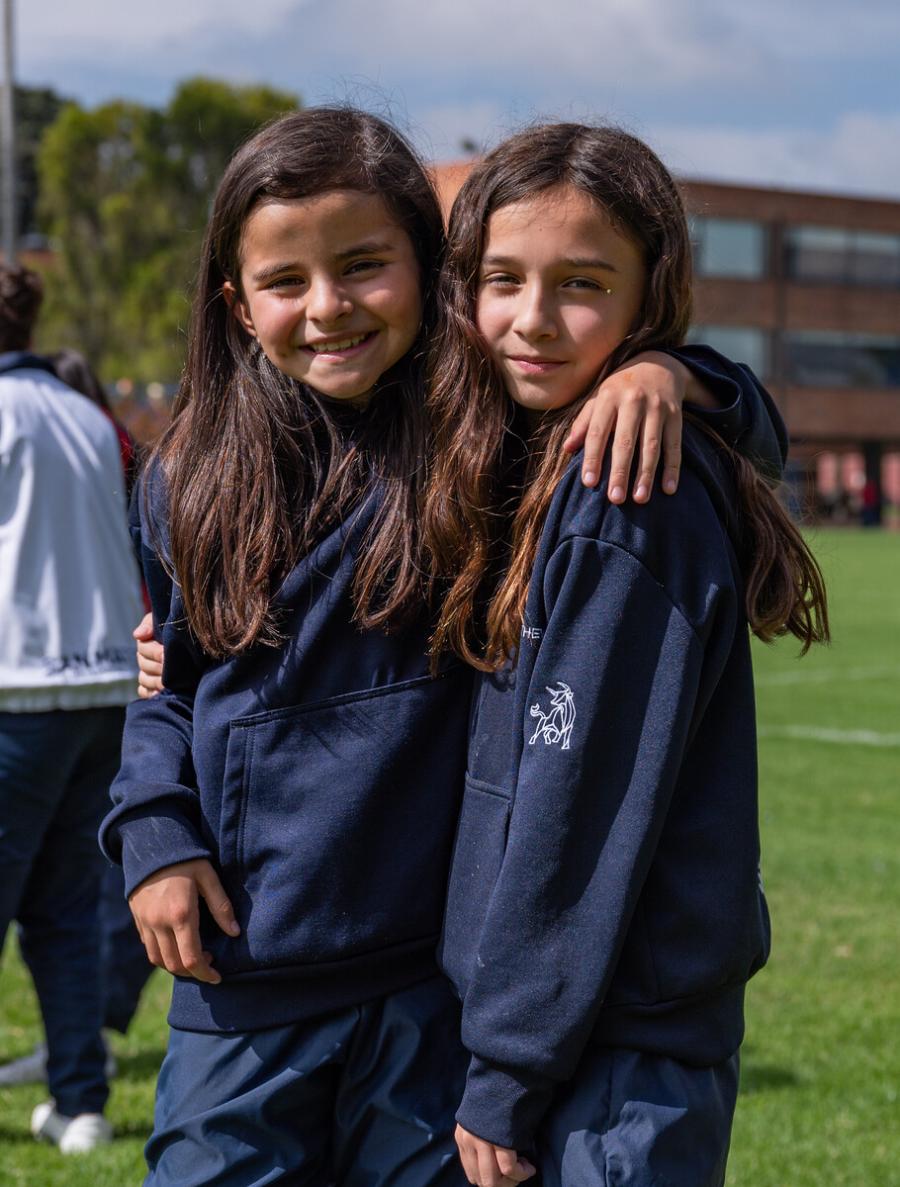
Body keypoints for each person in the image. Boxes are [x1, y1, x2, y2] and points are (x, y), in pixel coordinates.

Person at [105, 108, 784, 1186]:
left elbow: (698, 418)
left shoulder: (486, 438)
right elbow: (164, 677)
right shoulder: (189, 474)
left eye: (366, 265)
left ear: (430, 276)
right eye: (287, 281)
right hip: (243, 986)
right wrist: (152, 826)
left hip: (428, 995)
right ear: (237, 304)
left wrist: (675, 376)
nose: (329, 307)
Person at [423, 123, 830, 1187]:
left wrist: (508, 1069)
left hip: (608, 1055)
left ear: (651, 294)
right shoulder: (525, 444)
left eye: (582, 283)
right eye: (502, 279)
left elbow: (579, 812)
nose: (533, 320)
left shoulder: (623, 494)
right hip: (575, 1032)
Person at [0, 264, 143, 1152]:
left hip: (17, 690)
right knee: (64, 911)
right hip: (105, 692)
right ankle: (82, 1103)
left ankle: (82, 1095)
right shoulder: (87, 414)